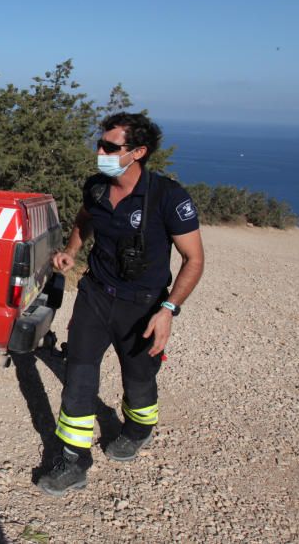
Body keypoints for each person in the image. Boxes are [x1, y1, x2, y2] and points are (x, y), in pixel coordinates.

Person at [37, 112, 204, 497]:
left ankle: (137, 429)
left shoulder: (168, 197)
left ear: (138, 152)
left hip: (144, 305)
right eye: (101, 143)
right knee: (78, 372)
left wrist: (169, 310)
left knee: (140, 379)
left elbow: (194, 260)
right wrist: (72, 252)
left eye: (111, 147)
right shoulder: (96, 187)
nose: (100, 151)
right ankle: (73, 460)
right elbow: (84, 219)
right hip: (96, 295)